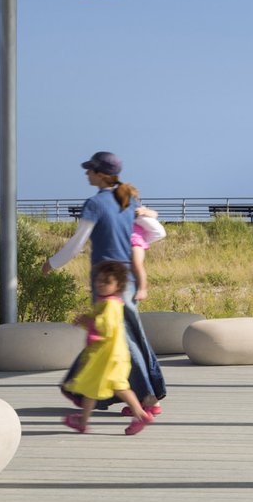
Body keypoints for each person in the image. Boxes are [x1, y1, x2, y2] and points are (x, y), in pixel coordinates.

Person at [44, 151, 168, 414]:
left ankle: (147, 398)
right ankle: (142, 395)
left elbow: (77, 244)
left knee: (119, 336)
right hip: (128, 277)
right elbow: (157, 231)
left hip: (106, 278)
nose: (86, 174)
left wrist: (52, 263)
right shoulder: (127, 198)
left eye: (90, 170)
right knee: (128, 334)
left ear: (101, 174)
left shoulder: (95, 204)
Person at [62, 261, 155, 435]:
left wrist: (88, 322)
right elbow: (97, 320)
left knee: (118, 386)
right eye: (98, 280)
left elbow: (105, 327)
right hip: (107, 355)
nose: (100, 284)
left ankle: (140, 414)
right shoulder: (105, 303)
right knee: (94, 385)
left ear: (118, 285)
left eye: (107, 281)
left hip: (110, 356)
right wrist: (86, 320)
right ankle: (83, 420)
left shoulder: (111, 305)